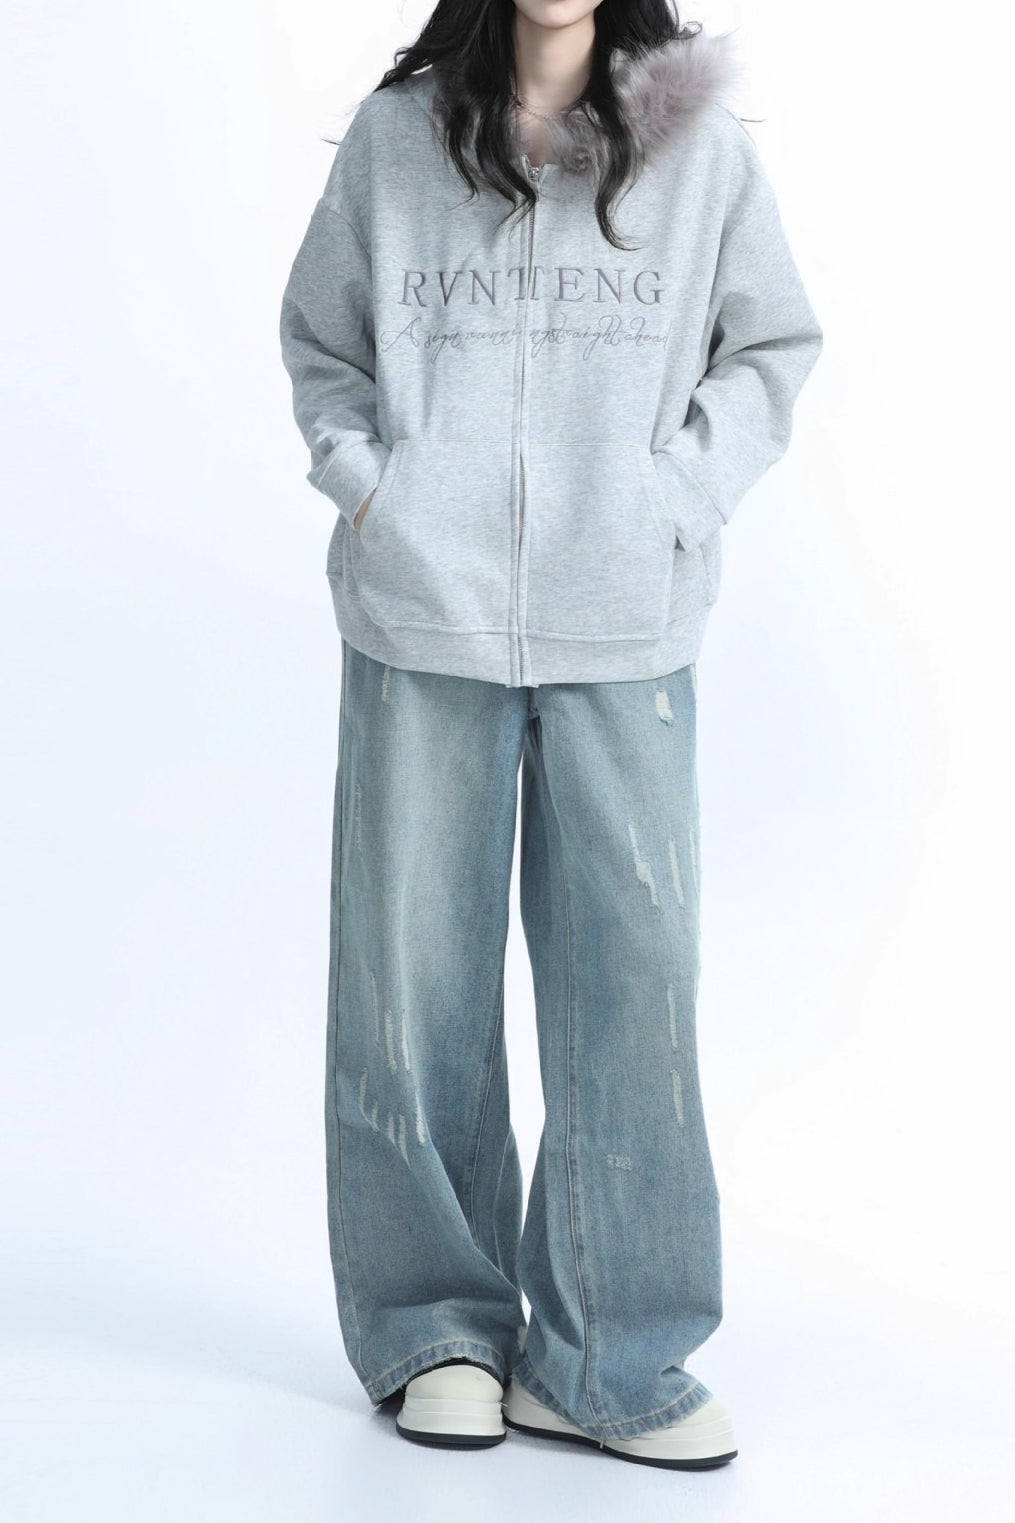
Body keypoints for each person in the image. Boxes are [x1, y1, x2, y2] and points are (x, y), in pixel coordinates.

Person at [279, 0, 822, 1470]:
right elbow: (322, 340)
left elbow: (772, 344)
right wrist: (373, 489)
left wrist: (676, 499)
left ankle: (607, 1355)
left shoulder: (697, 152)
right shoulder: (398, 141)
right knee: (409, 989)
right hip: (422, 615)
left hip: (625, 624)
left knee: (632, 986)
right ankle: (435, 1328)